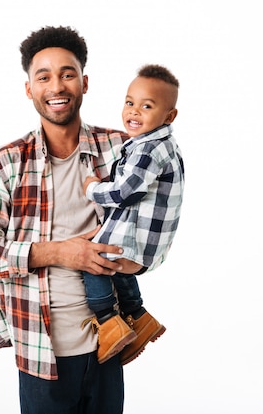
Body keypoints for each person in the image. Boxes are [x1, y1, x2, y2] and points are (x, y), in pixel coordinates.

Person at [0, 25, 131, 414]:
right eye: (43, 76)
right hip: (40, 349)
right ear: (29, 88)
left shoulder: (122, 149)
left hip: (109, 341)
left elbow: (159, 220)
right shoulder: (6, 162)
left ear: (84, 82)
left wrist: (128, 252)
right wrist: (59, 253)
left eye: (67, 74)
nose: (57, 86)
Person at [81, 64, 184, 365]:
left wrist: (92, 188)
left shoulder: (150, 150)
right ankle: (138, 316)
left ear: (169, 116)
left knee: (93, 260)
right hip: (145, 242)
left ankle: (109, 322)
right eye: (130, 102)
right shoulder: (158, 145)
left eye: (147, 106)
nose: (134, 112)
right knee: (114, 266)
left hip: (136, 239)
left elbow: (125, 193)